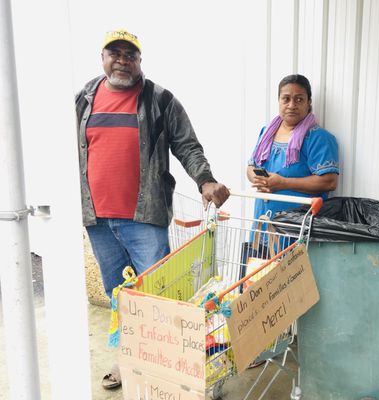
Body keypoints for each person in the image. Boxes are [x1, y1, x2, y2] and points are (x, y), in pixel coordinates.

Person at [75, 29, 229, 389]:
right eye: (115, 53)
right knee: (120, 297)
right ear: (103, 57)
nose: (122, 60)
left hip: (145, 220)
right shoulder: (84, 98)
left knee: (160, 298)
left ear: (140, 61)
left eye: (131, 55)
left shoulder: (159, 99)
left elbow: (188, 145)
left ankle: (167, 369)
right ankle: (128, 363)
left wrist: (205, 181)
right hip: (99, 220)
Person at [246, 74, 339, 219]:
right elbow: (251, 167)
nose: (291, 105)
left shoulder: (318, 138)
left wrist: (282, 183)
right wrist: (262, 181)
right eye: (286, 99)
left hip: (297, 228)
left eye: (299, 99)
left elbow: (329, 181)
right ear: (279, 100)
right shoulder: (266, 133)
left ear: (309, 102)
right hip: (262, 223)